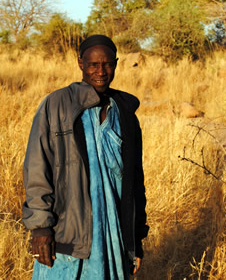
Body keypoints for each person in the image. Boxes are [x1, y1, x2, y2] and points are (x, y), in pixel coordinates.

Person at [22, 34, 149, 280]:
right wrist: (40, 228)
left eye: (107, 64)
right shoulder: (56, 104)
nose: (101, 71)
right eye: (93, 64)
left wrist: (135, 239)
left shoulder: (124, 114)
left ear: (116, 64)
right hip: (66, 235)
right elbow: (37, 167)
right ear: (80, 64)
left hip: (113, 236)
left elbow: (135, 181)